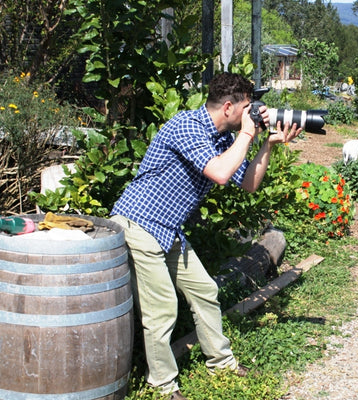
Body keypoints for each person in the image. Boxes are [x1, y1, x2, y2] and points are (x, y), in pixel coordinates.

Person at [110, 72, 302, 400]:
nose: (252, 112)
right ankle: (163, 386)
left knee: (205, 291)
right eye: (247, 106)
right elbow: (220, 173)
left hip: (168, 229)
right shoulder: (187, 126)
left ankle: (221, 362)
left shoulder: (225, 135)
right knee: (162, 310)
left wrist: (266, 145)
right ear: (228, 107)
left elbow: (248, 183)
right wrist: (247, 134)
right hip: (138, 223)